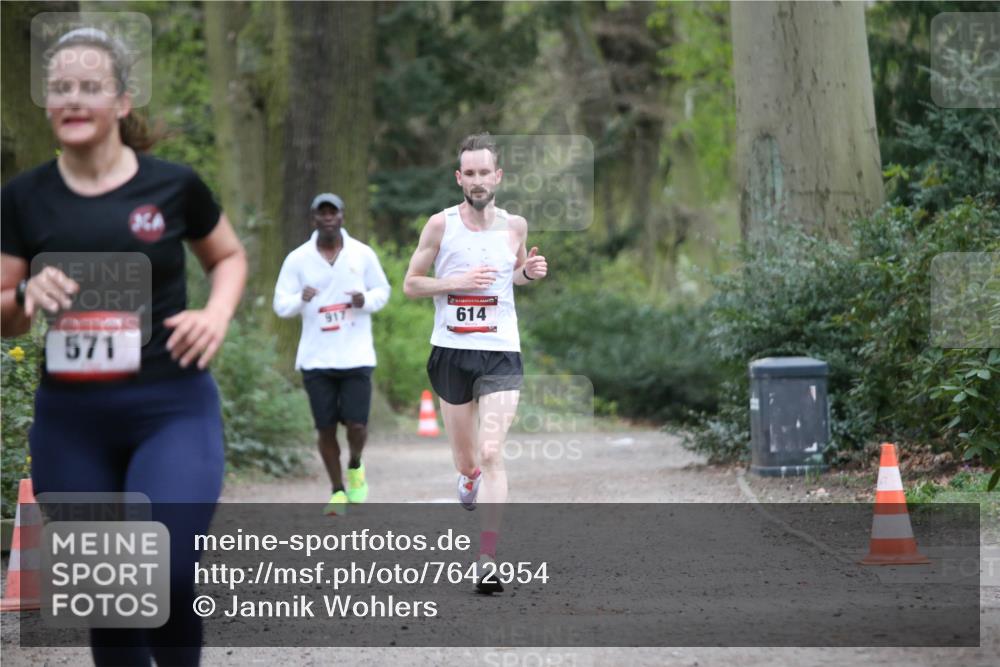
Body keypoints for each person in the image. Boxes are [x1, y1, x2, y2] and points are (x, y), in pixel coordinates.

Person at [0, 28, 247, 666]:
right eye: (60, 88)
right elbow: (4, 318)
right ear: (48, 103)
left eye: (89, 87)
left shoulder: (173, 187)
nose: (73, 98)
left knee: (162, 570)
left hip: (171, 405)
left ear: (122, 100)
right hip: (72, 424)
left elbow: (227, 256)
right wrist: (26, 293)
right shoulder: (23, 199)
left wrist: (215, 314)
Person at [403, 132, 547, 593]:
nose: (479, 180)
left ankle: (487, 558)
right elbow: (411, 284)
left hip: (501, 349)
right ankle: (468, 481)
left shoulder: (515, 226)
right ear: (459, 177)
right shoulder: (440, 226)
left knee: (491, 452)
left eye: (486, 172)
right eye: (471, 173)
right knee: (468, 463)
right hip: (451, 351)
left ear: (498, 177)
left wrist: (529, 273)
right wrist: (457, 280)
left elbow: (517, 275)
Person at [273, 193, 390, 516]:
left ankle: (355, 463)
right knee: (324, 428)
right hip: (316, 359)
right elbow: (281, 304)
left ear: (342, 216)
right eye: (321, 213)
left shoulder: (362, 254)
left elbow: (383, 291)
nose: (327, 218)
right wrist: (301, 298)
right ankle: (337, 490)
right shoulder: (297, 259)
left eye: (333, 212)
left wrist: (363, 299)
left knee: (357, 426)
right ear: (313, 219)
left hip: (356, 355)